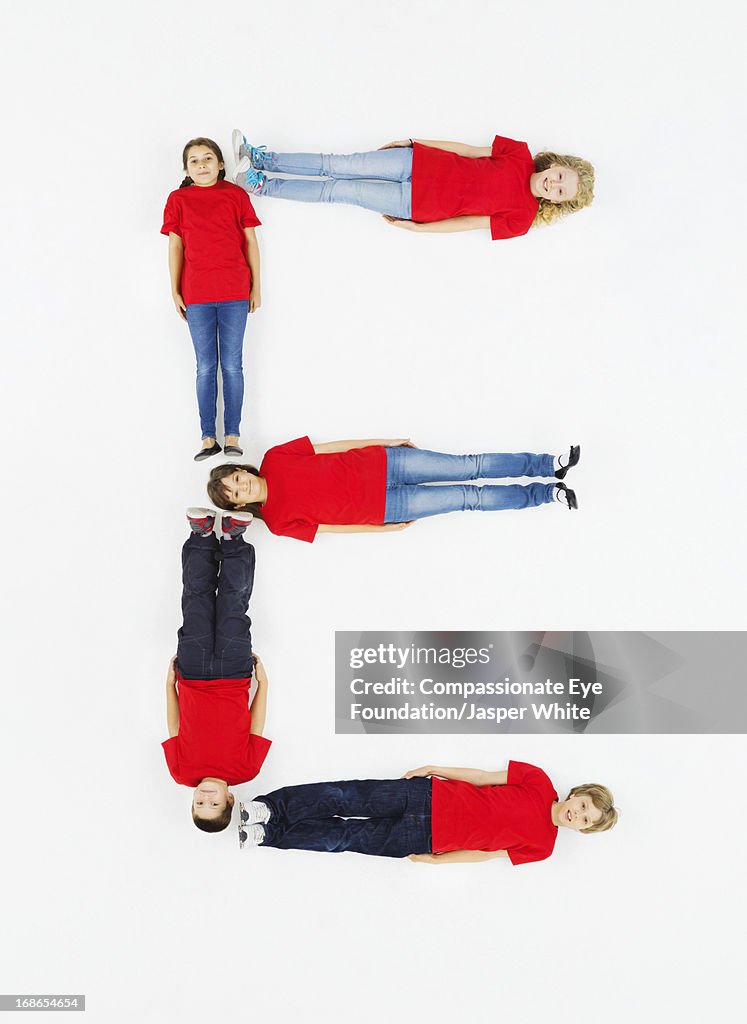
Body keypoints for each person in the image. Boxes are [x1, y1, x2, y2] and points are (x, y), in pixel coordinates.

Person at [231, 130, 593, 240]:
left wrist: (416, 227)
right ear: (557, 164)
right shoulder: (519, 153)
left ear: (558, 203)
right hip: (416, 161)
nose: (553, 185)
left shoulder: (522, 219)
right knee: (335, 164)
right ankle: (262, 158)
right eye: (560, 177)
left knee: (336, 190)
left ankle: (259, 185)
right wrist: (414, 143)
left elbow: (467, 224)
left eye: (560, 192)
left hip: (415, 205)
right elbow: (466, 149)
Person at [205, 437, 581, 542]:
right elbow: (332, 530)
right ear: (242, 505)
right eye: (236, 493)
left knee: (471, 465)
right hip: (387, 507)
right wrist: (379, 528)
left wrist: (388, 441)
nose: (242, 486)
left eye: (236, 478)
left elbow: (333, 446)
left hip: (387, 462)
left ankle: (550, 465)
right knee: (471, 497)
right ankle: (546, 494)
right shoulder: (276, 522)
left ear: (241, 469)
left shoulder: (275, 457)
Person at [238, 761, 617, 863]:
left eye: (586, 820)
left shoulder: (543, 848)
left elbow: (487, 854)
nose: (577, 815)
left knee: (344, 838)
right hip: (425, 796)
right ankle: (269, 808)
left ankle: (269, 834)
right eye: (582, 806)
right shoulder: (538, 779)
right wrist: (435, 768)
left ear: (583, 831)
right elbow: (484, 777)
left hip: (426, 839)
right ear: (576, 794)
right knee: (344, 796)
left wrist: (441, 862)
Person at [163, 509, 271, 833]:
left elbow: (174, 725)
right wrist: (263, 685)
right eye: (214, 804)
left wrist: (169, 687)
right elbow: (256, 724)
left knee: (195, 601)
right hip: (235, 671)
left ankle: (201, 537)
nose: (205, 797)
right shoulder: (247, 769)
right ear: (230, 798)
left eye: (198, 803)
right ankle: (234, 539)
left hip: (192, 672)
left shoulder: (181, 772)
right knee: (233, 603)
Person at [161, 137, 262, 461]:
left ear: (221, 164)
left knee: (232, 365)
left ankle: (232, 435)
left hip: (234, 292)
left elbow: (251, 242)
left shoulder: (236, 196)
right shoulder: (178, 199)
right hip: (197, 295)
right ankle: (208, 438)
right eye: (194, 160)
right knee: (206, 367)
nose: (202, 165)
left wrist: (256, 287)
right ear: (187, 169)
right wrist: (174, 290)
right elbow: (175, 247)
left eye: (208, 158)